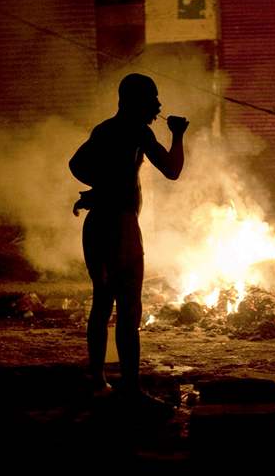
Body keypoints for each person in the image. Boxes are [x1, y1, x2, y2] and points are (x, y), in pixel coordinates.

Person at [69, 73, 189, 411]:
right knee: (128, 310)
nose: (158, 106)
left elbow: (77, 164)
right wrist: (178, 134)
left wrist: (99, 189)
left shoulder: (104, 130)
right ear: (137, 101)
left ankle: (98, 380)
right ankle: (130, 389)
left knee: (102, 303)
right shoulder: (138, 131)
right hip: (119, 228)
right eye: (153, 99)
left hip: (98, 227)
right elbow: (172, 169)